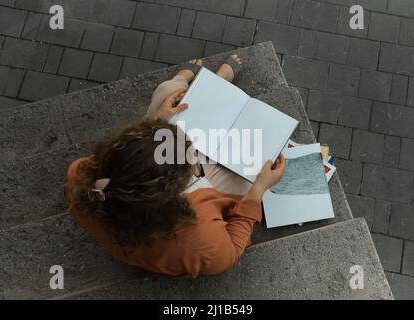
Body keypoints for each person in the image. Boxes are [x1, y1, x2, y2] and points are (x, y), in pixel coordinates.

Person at [64, 54, 286, 278]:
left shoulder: (81, 176)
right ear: (178, 189)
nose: (192, 144)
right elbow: (230, 253)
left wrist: (154, 121)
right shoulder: (201, 240)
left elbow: (139, 158)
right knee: (248, 173)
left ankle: (201, 85)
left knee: (167, 95)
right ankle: (212, 87)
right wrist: (257, 191)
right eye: (191, 158)